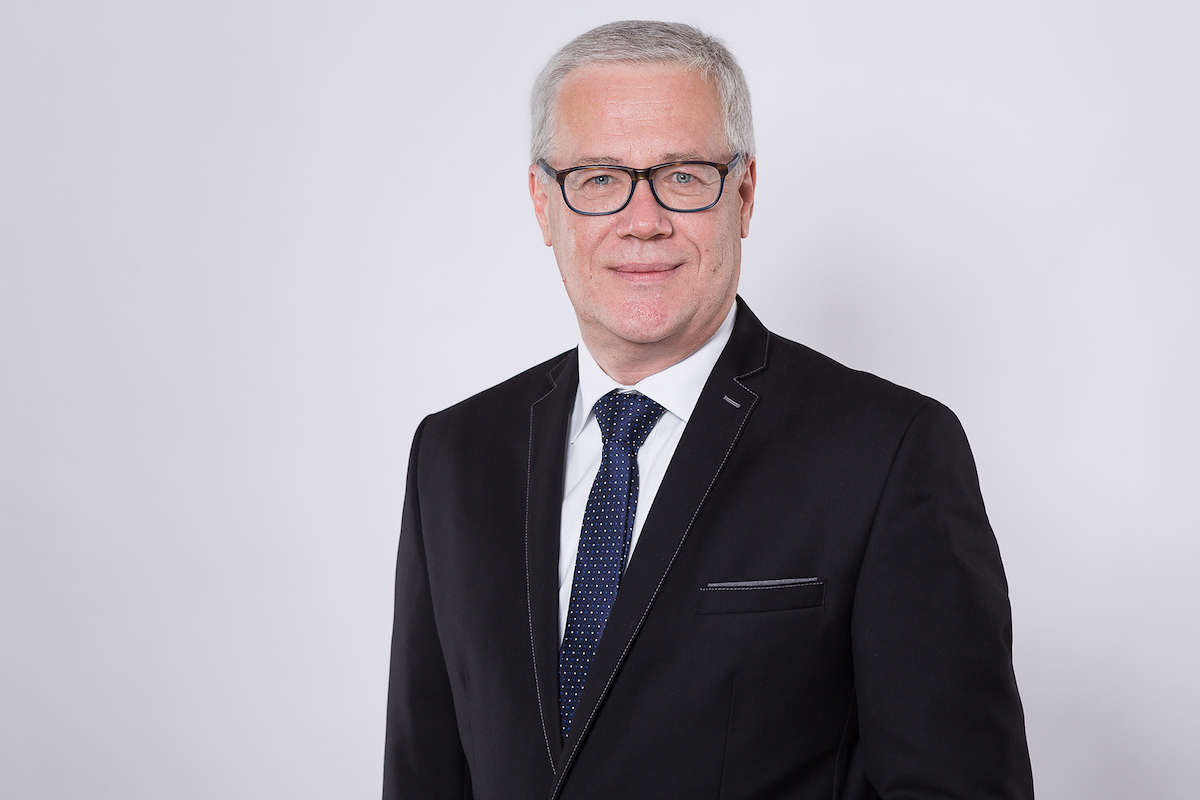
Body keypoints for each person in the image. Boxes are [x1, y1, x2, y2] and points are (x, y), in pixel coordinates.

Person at [383, 20, 1034, 800]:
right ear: (542, 204)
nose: (643, 219)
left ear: (744, 194)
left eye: (684, 176)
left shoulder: (888, 452)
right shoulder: (454, 455)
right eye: (599, 179)